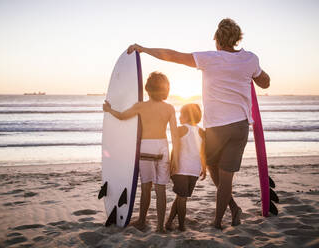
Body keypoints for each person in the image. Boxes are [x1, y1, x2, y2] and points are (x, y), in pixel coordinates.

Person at [127, 18, 270, 229]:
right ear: (237, 38)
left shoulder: (209, 58)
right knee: (227, 177)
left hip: (217, 128)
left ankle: (231, 209)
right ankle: (219, 221)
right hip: (240, 126)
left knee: (213, 168)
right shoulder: (250, 59)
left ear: (217, 41)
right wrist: (252, 74)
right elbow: (265, 82)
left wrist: (144, 49)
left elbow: (173, 56)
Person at [103, 71, 180, 233]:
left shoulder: (141, 106)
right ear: (165, 90)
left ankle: (142, 221)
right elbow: (175, 135)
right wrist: (175, 158)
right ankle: (160, 227)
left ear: (148, 88)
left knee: (146, 188)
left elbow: (123, 116)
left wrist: (109, 110)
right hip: (162, 148)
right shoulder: (169, 108)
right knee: (161, 190)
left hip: (145, 148)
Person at [165, 103, 207, 232]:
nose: (179, 117)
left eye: (181, 114)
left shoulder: (182, 129)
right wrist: (204, 167)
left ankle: (170, 222)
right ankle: (181, 225)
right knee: (182, 197)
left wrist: (172, 163)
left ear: (188, 116)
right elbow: (203, 152)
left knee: (180, 197)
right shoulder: (201, 131)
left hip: (183, 167)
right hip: (189, 169)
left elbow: (175, 149)